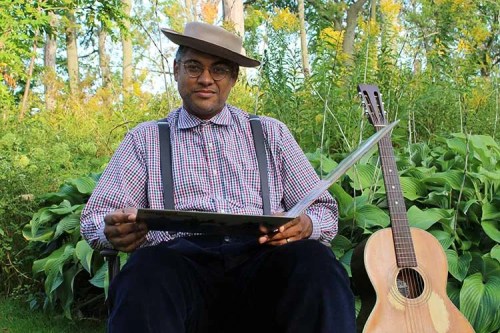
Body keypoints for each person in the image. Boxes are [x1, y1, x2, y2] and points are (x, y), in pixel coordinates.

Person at [81, 21, 355, 333]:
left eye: (219, 70)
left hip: (263, 266)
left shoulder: (270, 132)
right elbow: (96, 215)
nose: (206, 79)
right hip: (180, 270)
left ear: (234, 78)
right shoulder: (145, 139)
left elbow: (324, 209)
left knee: (315, 264)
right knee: (145, 271)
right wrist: (111, 230)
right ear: (176, 70)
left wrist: (307, 225)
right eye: (194, 67)